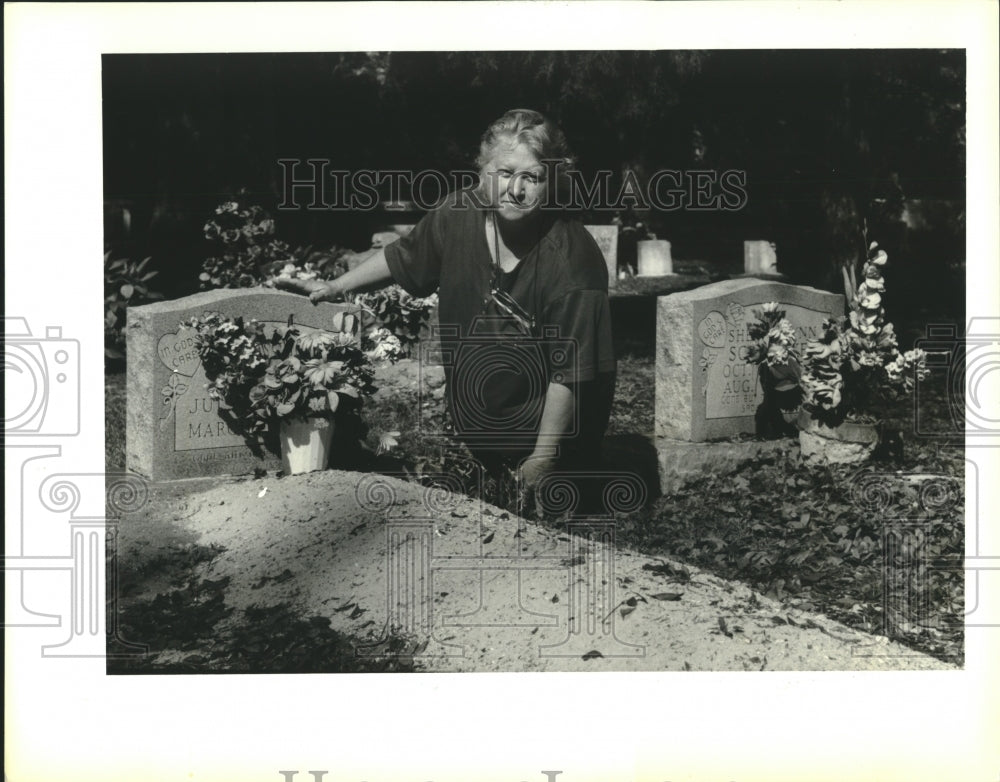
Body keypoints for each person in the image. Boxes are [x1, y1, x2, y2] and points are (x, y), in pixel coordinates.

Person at [277, 109, 616, 508]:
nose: (515, 189)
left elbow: (570, 375)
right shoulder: (457, 215)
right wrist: (336, 286)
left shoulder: (572, 263)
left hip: (551, 451)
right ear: (482, 171)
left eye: (533, 177)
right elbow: (406, 256)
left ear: (553, 180)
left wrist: (543, 460)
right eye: (504, 172)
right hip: (481, 441)